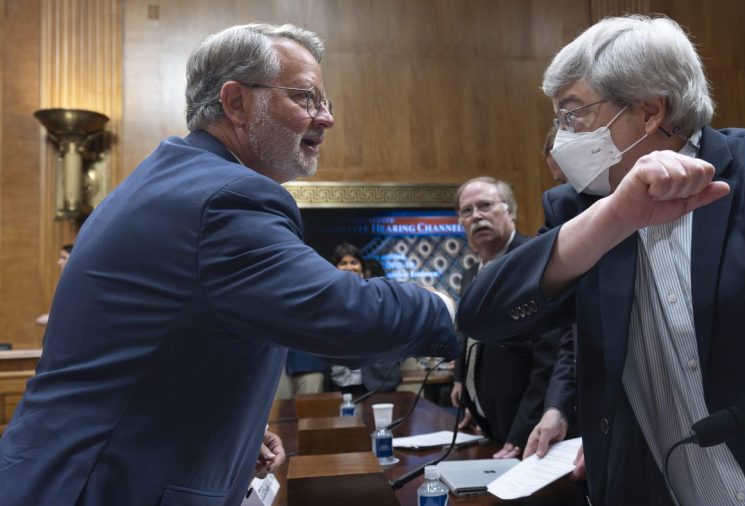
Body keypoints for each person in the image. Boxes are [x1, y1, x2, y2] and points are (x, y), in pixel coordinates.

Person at [0, 23, 457, 505]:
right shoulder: (225, 197)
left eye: (326, 102)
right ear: (236, 103)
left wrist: (228, 428)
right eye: (306, 98)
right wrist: (443, 305)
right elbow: (345, 318)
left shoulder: (171, 179)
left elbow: (154, 350)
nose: (326, 119)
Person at [457, 14, 745, 506]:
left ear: (649, 111)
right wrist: (613, 220)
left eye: (571, 113)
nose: (561, 135)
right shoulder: (580, 211)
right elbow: (484, 317)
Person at [449, 177, 564, 459]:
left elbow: (549, 357)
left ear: (510, 211)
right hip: (488, 421)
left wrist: (524, 428)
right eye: (467, 211)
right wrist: (461, 381)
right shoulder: (470, 274)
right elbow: (468, 332)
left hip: (528, 429)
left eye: (485, 205)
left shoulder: (534, 263)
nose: (476, 215)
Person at [323, 243, 403, 395]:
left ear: (362, 266)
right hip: (340, 381)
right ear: (335, 267)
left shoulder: (379, 292)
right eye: (343, 263)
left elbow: (397, 326)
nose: (349, 267)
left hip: (378, 380)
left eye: (354, 262)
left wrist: (396, 360)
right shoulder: (326, 297)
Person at [35, 244, 73, 326]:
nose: (59, 262)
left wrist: (52, 320)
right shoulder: (63, 283)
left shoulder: (78, 285)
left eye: (64, 258)